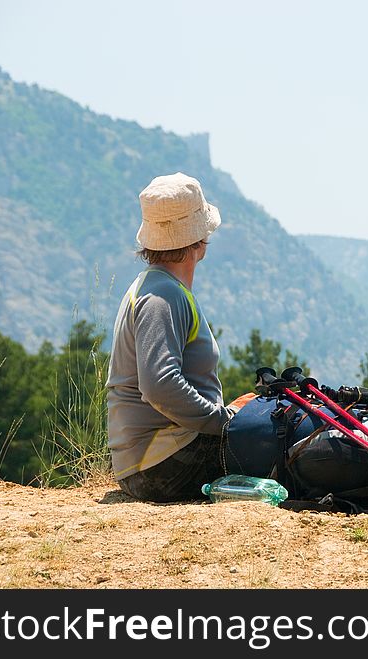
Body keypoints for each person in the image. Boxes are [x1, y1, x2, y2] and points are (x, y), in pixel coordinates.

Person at [106, 172, 254, 502]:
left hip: (151, 459)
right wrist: (224, 421)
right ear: (198, 239)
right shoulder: (163, 296)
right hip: (160, 466)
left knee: (258, 411)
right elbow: (159, 385)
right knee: (275, 439)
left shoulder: (155, 286)